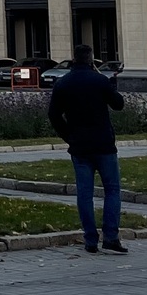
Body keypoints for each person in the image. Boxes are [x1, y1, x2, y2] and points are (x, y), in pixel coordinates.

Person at [48, 43, 126, 254]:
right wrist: (107, 82)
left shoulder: (63, 83)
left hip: (79, 146)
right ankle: (111, 236)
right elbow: (119, 104)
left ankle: (90, 240)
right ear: (92, 60)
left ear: (73, 60)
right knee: (112, 190)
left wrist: (68, 136)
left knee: (84, 194)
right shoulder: (99, 80)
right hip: (103, 144)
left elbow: (53, 115)